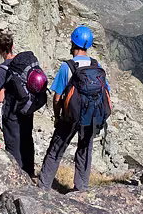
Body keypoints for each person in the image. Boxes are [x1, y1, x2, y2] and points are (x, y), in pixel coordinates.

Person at [37, 25, 112, 193]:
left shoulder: (68, 67)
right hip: (90, 117)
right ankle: (81, 189)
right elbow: (105, 92)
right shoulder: (96, 66)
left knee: (55, 150)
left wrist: (57, 117)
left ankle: (43, 187)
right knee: (85, 151)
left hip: (69, 117)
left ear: (73, 43)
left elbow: (57, 98)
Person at [0, 32, 39, 175]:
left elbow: (0, 97)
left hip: (12, 111)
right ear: (12, 46)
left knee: (13, 142)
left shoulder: (2, 69)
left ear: (0, 50)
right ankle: (30, 172)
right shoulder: (22, 64)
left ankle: (17, 174)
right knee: (26, 138)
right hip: (27, 108)